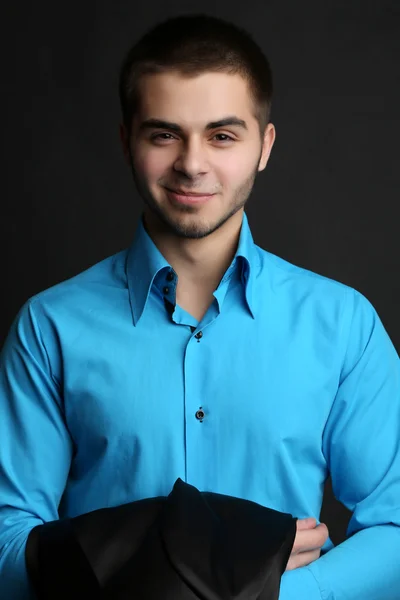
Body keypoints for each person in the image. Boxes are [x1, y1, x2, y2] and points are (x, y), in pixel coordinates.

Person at [0, 13, 399, 600]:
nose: (192, 163)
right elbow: (9, 544)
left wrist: (268, 597)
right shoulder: (48, 327)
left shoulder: (344, 325)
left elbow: (394, 528)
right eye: (164, 134)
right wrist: (206, 566)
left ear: (263, 146)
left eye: (222, 135)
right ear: (126, 142)